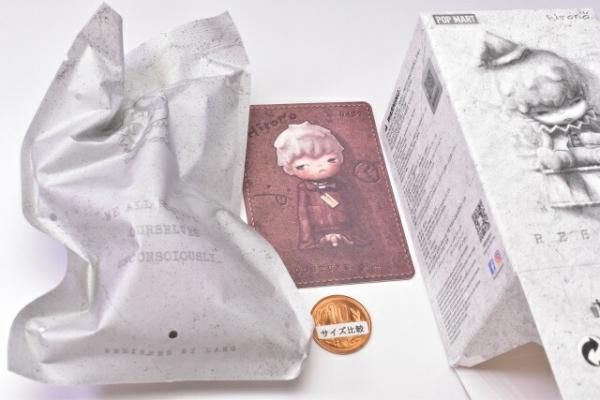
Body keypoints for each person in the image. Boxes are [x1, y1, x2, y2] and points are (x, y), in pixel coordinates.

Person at [274, 121, 370, 249]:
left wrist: (357, 235)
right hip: (318, 232)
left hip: (344, 229)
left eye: (330, 160)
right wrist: (306, 240)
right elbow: (303, 215)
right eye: (302, 166)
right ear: (289, 169)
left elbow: (353, 210)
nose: (320, 167)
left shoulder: (340, 186)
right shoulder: (304, 189)